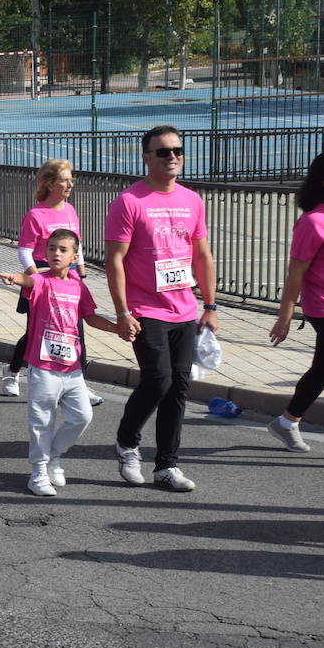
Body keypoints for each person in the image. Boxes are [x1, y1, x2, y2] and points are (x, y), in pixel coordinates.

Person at [106, 124, 216, 492]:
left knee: (178, 388)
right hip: (144, 309)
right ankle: (127, 442)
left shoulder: (192, 200)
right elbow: (115, 260)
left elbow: (202, 254)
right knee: (158, 380)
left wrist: (210, 305)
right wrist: (122, 312)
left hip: (184, 309)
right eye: (163, 151)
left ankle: (167, 466)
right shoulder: (129, 202)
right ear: (146, 158)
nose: (172, 157)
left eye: (177, 151)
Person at [0, 230, 118, 496]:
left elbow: (90, 317)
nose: (56, 253)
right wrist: (15, 277)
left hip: (71, 368)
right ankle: (38, 473)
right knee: (42, 419)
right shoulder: (42, 281)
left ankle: (54, 455)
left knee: (82, 416)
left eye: (63, 250)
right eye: (52, 248)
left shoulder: (78, 286)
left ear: (75, 257)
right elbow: (28, 280)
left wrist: (116, 328)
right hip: (44, 366)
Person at [1, 161, 102, 407]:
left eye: (71, 180)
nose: (70, 184)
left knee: (75, 330)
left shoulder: (70, 210)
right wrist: (37, 278)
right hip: (42, 274)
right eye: (64, 180)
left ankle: (79, 383)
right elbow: (24, 250)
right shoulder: (36, 215)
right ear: (49, 184)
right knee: (36, 331)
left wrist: (80, 269)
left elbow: (76, 243)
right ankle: (12, 371)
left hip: (69, 277)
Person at [269, 150, 324, 452]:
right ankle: (288, 421)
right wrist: (285, 316)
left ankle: (288, 421)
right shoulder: (313, 222)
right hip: (323, 305)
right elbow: (295, 274)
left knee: (322, 369)